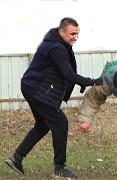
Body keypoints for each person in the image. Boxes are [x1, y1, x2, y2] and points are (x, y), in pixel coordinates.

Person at [4, 17, 102, 179]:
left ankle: (16, 158)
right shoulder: (56, 48)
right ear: (61, 31)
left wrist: (80, 83)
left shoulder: (58, 43)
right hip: (38, 90)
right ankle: (59, 168)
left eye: (77, 34)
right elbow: (68, 73)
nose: (75, 37)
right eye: (72, 34)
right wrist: (92, 81)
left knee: (43, 125)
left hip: (32, 87)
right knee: (60, 123)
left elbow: (66, 72)